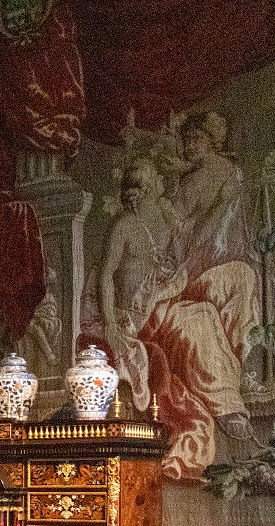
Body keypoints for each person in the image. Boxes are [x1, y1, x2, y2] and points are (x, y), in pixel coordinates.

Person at [98, 158, 260, 479]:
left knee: (239, 277)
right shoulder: (124, 227)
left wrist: (222, 201)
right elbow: (106, 276)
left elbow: (199, 234)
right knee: (201, 317)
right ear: (143, 191)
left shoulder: (164, 219)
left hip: (170, 293)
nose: (163, 186)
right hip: (144, 314)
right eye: (157, 182)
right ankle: (226, 404)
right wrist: (111, 324)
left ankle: (235, 373)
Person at [168, 111, 251, 275]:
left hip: (206, 259)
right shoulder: (231, 170)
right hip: (233, 261)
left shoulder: (199, 176)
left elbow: (175, 222)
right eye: (187, 140)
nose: (190, 146)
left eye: (197, 139)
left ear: (213, 141)